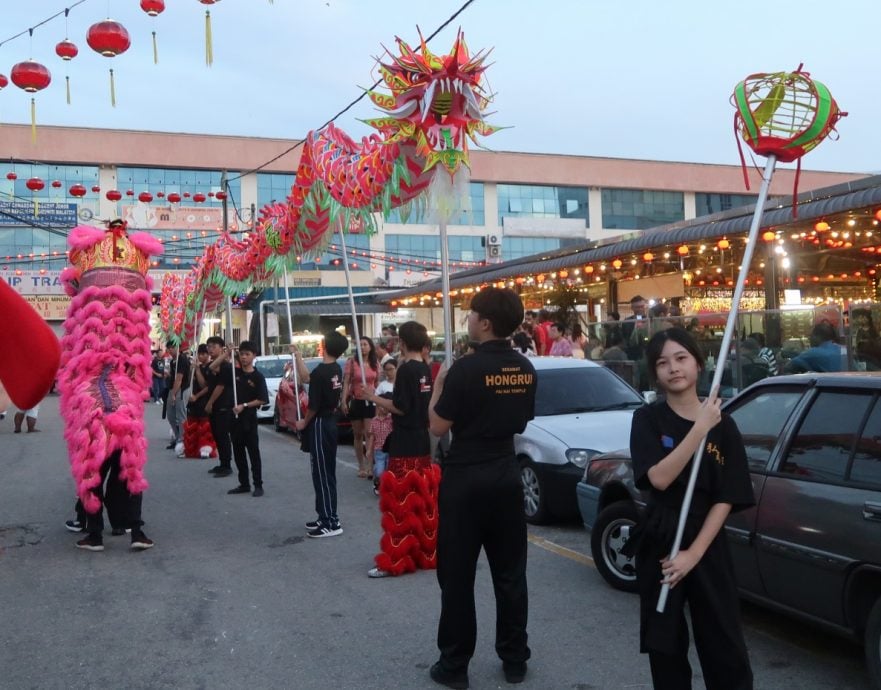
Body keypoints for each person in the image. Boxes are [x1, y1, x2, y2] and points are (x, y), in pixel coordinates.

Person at [626, 328, 754, 689]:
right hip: (661, 534)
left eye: (681, 358)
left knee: (725, 644)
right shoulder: (647, 420)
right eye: (662, 363)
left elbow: (726, 496)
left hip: (706, 542)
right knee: (665, 647)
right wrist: (698, 430)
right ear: (655, 373)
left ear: (698, 363)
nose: (673, 368)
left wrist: (693, 555)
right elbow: (660, 478)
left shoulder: (725, 426)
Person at [428, 287, 537, 689]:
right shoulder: (524, 368)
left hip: (465, 478)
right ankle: (514, 659)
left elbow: (438, 427)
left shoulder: (464, 370)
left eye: (472, 314)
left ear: (486, 322)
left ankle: (454, 666)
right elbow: (522, 422)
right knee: (510, 574)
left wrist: (439, 388)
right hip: (506, 474)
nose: (468, 319)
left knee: (457, 576)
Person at [360, 320, 438, 578]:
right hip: (421, 440)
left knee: (400, 503)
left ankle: (396, 557)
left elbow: (401, 407)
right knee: (421, 501)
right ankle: (422, 552)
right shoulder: (425, 369)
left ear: (402, 343)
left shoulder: (406, 370)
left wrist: (373, 398)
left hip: (404, 441)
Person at [292, 331, 348, 538]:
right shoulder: (333, 369)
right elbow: (307, 378)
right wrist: (298, 356)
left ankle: (330, 522)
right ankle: (325, 514)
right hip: (328, 423)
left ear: (324, 345)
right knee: (322, 472)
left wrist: (303, 422)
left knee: (323, 473)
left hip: (321, 423)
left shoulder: (325, 371)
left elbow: (313, 405)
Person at [226, 341, 269, 497]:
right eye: (242, 354)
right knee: (238, 454)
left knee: (253, 453)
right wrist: (227, 352)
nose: (244, 357)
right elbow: (213, 368)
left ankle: (258, 485)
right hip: (234, 420)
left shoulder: (258, 377)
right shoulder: (234, 373)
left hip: (249, 420)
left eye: (247, 354)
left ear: (253, 356)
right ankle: (244, 484)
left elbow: (263, 399)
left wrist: (244, 405)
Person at [342, 336, 379, 479]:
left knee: (369, 434)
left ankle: (370, 465)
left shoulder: (375, 363)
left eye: (365, 344)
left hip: (370, 402)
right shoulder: (352, 362)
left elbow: (377, 383)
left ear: (370, 347)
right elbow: (346, 382)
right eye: (360, 344)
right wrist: (344, 401)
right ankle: (361, 465)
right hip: (357, 401)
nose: (362, 347)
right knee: (357, 434)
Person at [204, 336, 235, 478]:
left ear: (221, 348)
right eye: (209, 346)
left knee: (223, 436)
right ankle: (222, 463)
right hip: (215, 407)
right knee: (217, 435)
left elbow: (220, 387)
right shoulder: (216, 365)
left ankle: (227, 465)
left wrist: (210, 402)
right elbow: (211, 368)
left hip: (223, 405)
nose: (210, 349)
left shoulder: (227, 366)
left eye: (213, 346)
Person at [182, 344, 217, 459]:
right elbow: (189, 383)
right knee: (192, 425)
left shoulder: (210, 367)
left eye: (203, 354)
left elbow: (205, 386)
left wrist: (197, 396)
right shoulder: (195, 367)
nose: (201, 356)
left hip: (203, 401)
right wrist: (192, 371)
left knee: (204, 426)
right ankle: (191, 448)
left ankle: (206, 448)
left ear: (207, 355)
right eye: (199, 354)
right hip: (193, 402)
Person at [165, 340, 191, 453]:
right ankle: (177, 437)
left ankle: (183, 440)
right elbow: (174, 376)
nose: (170, 350)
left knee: (181, 416)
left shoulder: (182, 359)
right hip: (173, 389)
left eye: (172, 347)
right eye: (169, 348)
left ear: (178, 347)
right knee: (170, 415)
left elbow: (179, 379)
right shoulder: (172, 362)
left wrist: (174, 394)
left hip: (182, 389)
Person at [366, 392, 394, 497]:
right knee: (380, 470)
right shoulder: (374, 421)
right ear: (378, 406)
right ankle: (377, 479)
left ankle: (385, 486)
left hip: (390, 449)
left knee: (388, 469)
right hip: (379, 450)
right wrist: (369, 449)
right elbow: (372, 436)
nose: (384, 408)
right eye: (382, 406)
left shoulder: (391, 419)